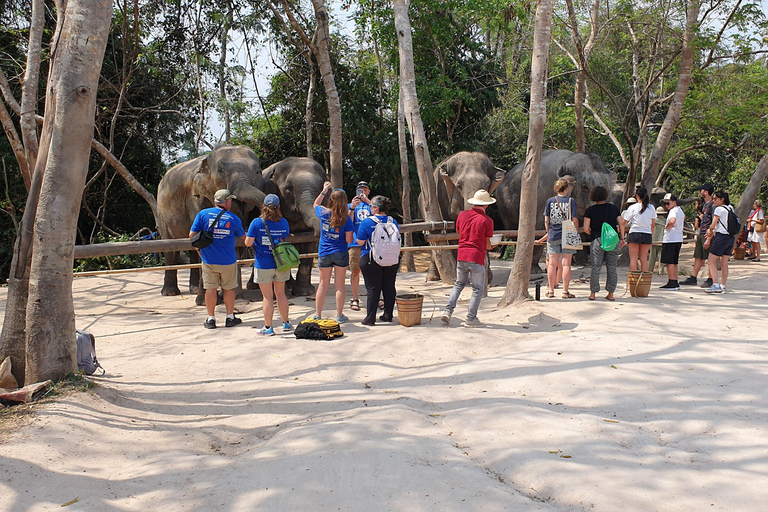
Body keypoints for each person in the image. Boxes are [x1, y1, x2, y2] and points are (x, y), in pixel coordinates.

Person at [189, 189, 246, 329]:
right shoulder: (233, 218)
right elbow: (244, 237)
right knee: (229, 289)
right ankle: (229, 317)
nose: (231, 203)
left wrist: (199, 251)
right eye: (230, 200)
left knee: (210, 289)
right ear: (227, 202)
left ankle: (211, 319)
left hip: (208, 260)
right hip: (228, 260)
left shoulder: (202, 214)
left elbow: (192, 235)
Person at [441, 189, 499, 327]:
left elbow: (458, 231)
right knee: (477, 289)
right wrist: (492, 246)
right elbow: (488, 243)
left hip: (462, 255)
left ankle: (448, 311)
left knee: (458, 284)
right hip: (477, 257)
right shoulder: (487, 220)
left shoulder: (462, 215)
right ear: (486, 205)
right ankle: (471, 318)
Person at [244, 194, 292, 336]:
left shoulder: (256, 223)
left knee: (267, 296)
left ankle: (268, 327)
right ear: (279, 207)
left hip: (263, 263)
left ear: (263, 206)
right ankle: (286, 323)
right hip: (281, 263)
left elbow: (248, 243)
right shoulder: (284, 222)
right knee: (281, 294)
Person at [313, 182, 354, 322]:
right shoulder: (347, 219)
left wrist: (324, 190)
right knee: (339, 285)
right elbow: (349, 240)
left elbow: (315, 205)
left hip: (324, 252)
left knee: (323, 284)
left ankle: (318, 315)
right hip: (341, 252)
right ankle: (339, 315)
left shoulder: (323, 213)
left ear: (330, 200)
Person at [355, 195, 399, 326]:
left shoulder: (367, 222)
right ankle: (388, 315)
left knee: (373, 288)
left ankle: (370, 318)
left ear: (375, 207)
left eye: (371, 206)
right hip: (392, 258)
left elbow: (360, 241)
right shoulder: (393, 221)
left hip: (371, 259)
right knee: (389, 286)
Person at [583, 186, 625, 301]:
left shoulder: (590, 210)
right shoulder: (613, 208)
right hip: (612, 240)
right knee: (612, 267)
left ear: (593, 196)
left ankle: (593, 293)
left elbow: (586, 228)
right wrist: (621, 237)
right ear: (606, 195)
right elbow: (621, 223)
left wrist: (593, 233)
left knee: (595, 267)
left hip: (597, 240)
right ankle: (611, 293)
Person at [538, 178, 578, 298]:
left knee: (552, 264)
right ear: (566, 189)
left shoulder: (550, 201)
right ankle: (565, 291)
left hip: (553, 234)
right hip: (568, 233)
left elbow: (546, 220)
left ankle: (551, 291)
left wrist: (549, 231)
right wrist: (574, 231)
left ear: (556, 189)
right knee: (566, 264)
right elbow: (574, 219)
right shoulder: (571, 201)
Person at [681, 184, 714, 287]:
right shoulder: (704, 204)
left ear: (706, 192)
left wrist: (709, 236)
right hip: (702, 233)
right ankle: (693, 277)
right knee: (698, 257)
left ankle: (711, 278)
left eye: (701, 190)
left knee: (710, 258)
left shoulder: (713, 205)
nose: (700, 192)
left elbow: (714, 222)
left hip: (708, 234)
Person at [705, 191, 736, 294]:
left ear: (722, 199)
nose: (713, 200)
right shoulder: (730, 208)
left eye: (715, 199)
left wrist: (709, 232)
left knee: (711, 260)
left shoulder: (718, 209)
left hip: (721, 237)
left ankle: (715, 284)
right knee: (724, 262)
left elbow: (713, 224)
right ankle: (723, 285)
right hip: (730, 237)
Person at [620, 185, 656, 272]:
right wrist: (651, 235)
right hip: (647, 234)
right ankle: (643, 282)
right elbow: (653, 224)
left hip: (635, 233)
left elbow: (623, 223)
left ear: (637, 196)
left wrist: (622, 237)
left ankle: (634, 281)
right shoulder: (651, 207)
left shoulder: (632, 207)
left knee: (633, 259)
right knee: (644, 259)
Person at [348, 181, 372, 312]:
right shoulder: (351, 206)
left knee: (373, 272)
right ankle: (355, 298)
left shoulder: (372, 205)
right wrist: (352, 207)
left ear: (368, 191)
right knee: (355, 271)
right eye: (360, 190)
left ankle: (377, 297)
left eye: (364, 190)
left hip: (371, 244)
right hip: (355, 243)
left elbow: (380, 215)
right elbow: (348, 221)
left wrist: (368, 201)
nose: (362, 192)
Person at [659, 193, 685, 290]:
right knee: (674, 261)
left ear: (674, 202)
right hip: (678, 238)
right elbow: (683, 218)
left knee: (669, 261)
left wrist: (667, 227)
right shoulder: (680, 211)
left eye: (668, 203)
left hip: (670, 238)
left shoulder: (673, 211)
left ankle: (671, 281)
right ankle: (675, 281)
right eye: (665, 203)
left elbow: (672, 221)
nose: (666, 206)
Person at [648, 206, 667, 274]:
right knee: (661, 258)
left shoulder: (653, 220)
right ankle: (661, 271)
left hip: (654, 241)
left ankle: (650, 270)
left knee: (652, 257)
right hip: (662, 241)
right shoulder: (666, 221)